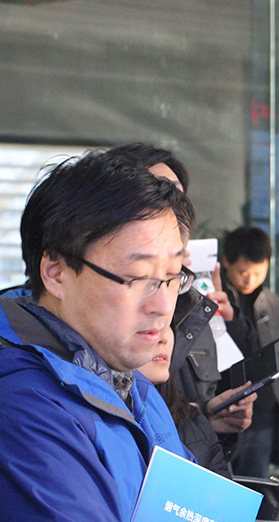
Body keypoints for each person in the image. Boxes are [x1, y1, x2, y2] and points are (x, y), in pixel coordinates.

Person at [0, 150, 196, 520]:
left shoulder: (131, 381)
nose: (162, 305)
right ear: (56, 272)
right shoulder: (22, 407)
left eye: (172, 277)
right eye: (137, 278)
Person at [105, 143, 256, 439]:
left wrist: (208, 421)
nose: (171, 211)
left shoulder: (194, 297)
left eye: (177, 198)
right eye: (157, 194)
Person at [221, 225, 279, 475]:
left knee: (258, 487)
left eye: (259, 272)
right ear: (226, 262)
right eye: (243, 272)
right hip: (226, 413)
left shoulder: (272, 302)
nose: (250, 280)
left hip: (264, 415)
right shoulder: (215, 301)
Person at [140, 327, 231, 478]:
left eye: (167, 325)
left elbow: (221, 489)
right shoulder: (102, 423)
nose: (163, 338)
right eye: (148, 328)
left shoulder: (192, 418)